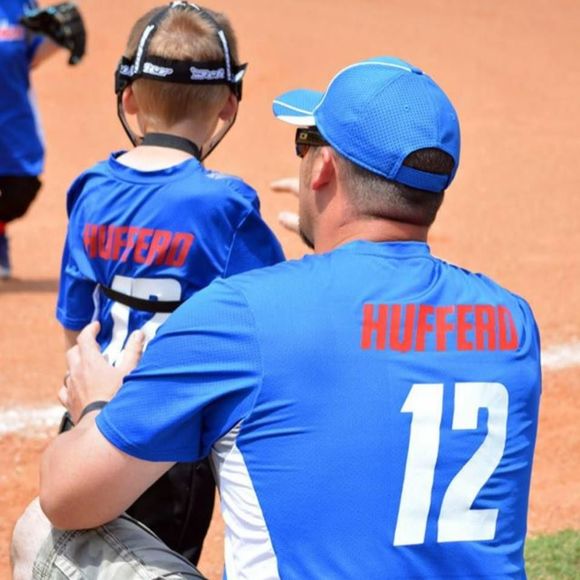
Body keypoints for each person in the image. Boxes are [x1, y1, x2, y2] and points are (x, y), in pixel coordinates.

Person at [36, 56, 541, 578]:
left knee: (39, 532)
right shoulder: (512, 323)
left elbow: (67, 498)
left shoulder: (243, 314)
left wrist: (96, 406)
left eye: (306, 143)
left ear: (323, 169)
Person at [11, 1, 284, 574]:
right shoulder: (227, 204)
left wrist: (90, 406)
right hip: (171, 432)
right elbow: (270, 313)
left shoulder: (91, 188)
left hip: (91, 413)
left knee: (76, 555)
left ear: (129, 97)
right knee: (158, 562)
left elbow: (75, 320)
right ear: (227, 105)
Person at [0, 1, 84, 279]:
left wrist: (55, 38)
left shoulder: (18, 3)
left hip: (12, 117)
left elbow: (28, 56)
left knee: (21, 189)